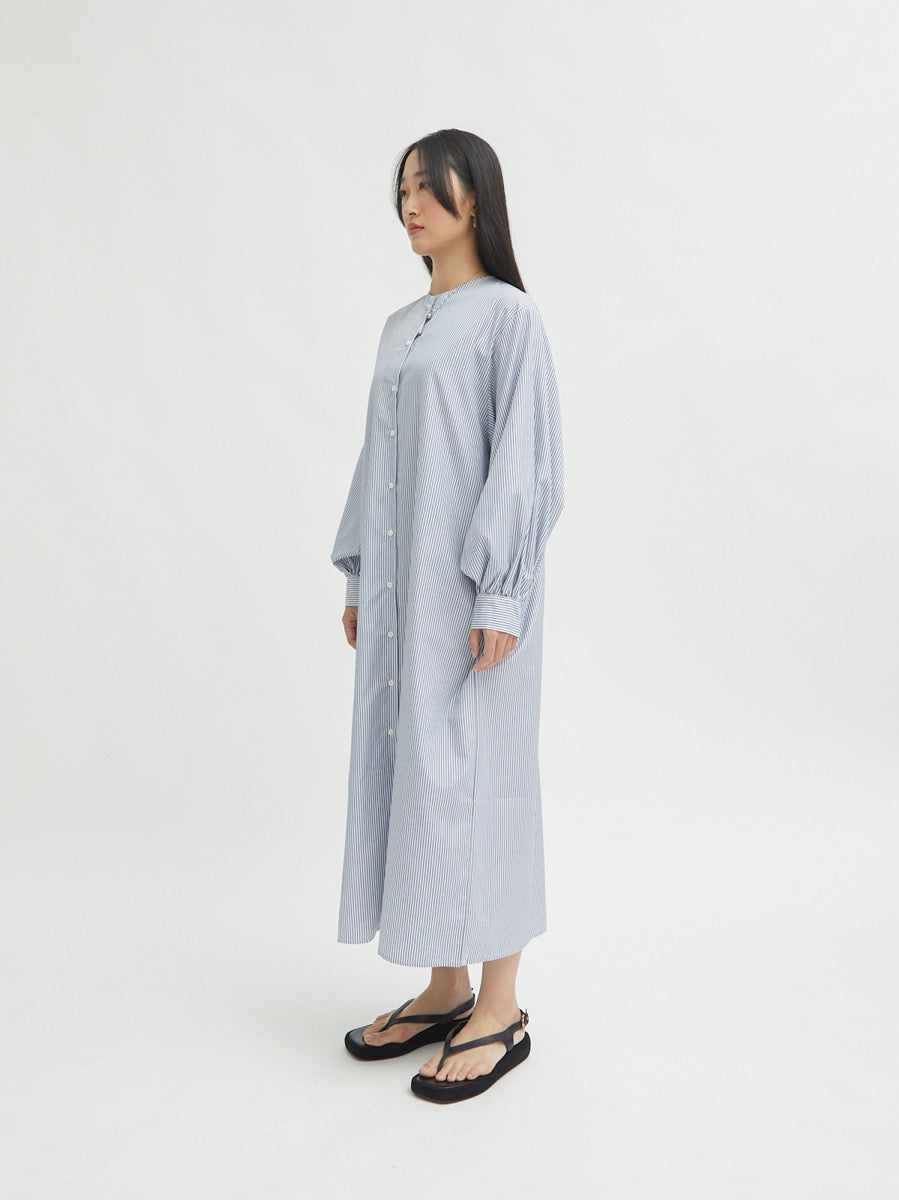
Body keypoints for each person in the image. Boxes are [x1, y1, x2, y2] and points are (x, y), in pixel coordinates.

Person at [329, 128, 565, 1103]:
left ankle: (500, 1006)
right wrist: (360, 578)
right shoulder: (401, 326)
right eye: (401, 191)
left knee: (483, 778)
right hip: (401, 597)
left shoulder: (509, 317)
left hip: (474, 601)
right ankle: (444, 987)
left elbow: (526, 461)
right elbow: (376, 456)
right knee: (419, 774)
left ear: (477, 198)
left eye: (429, 187)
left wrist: (503, 590)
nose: (411, 206)